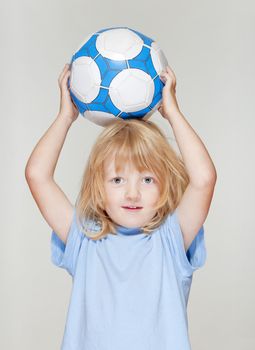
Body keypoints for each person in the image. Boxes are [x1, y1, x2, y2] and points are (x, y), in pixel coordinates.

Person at [25, 63, 217, 350]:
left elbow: (204, 179)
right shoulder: (85, 238)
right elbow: (37, 175)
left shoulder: (171, 239)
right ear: (99, 189)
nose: (132, 193)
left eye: (148, 179)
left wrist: (173, 114)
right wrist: (65, 118)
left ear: (165, 187)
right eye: (117, 179)